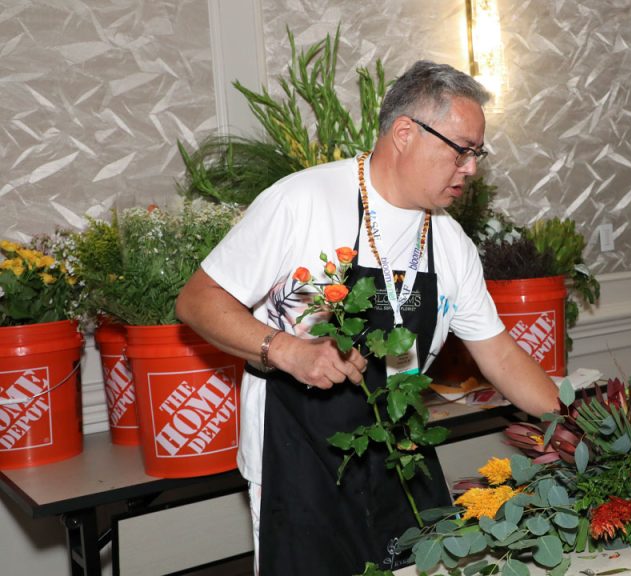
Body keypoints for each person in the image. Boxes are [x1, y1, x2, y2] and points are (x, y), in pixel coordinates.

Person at [175, 60, 560, 574]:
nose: (471, 168)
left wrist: (579, 424)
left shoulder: (451, 244)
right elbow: (197, 301)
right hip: (298, 461)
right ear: (405, 133)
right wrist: (288, 350)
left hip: (403, 457)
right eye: (462, 150)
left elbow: (503, 358)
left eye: (477, 154)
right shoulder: (302, 201)